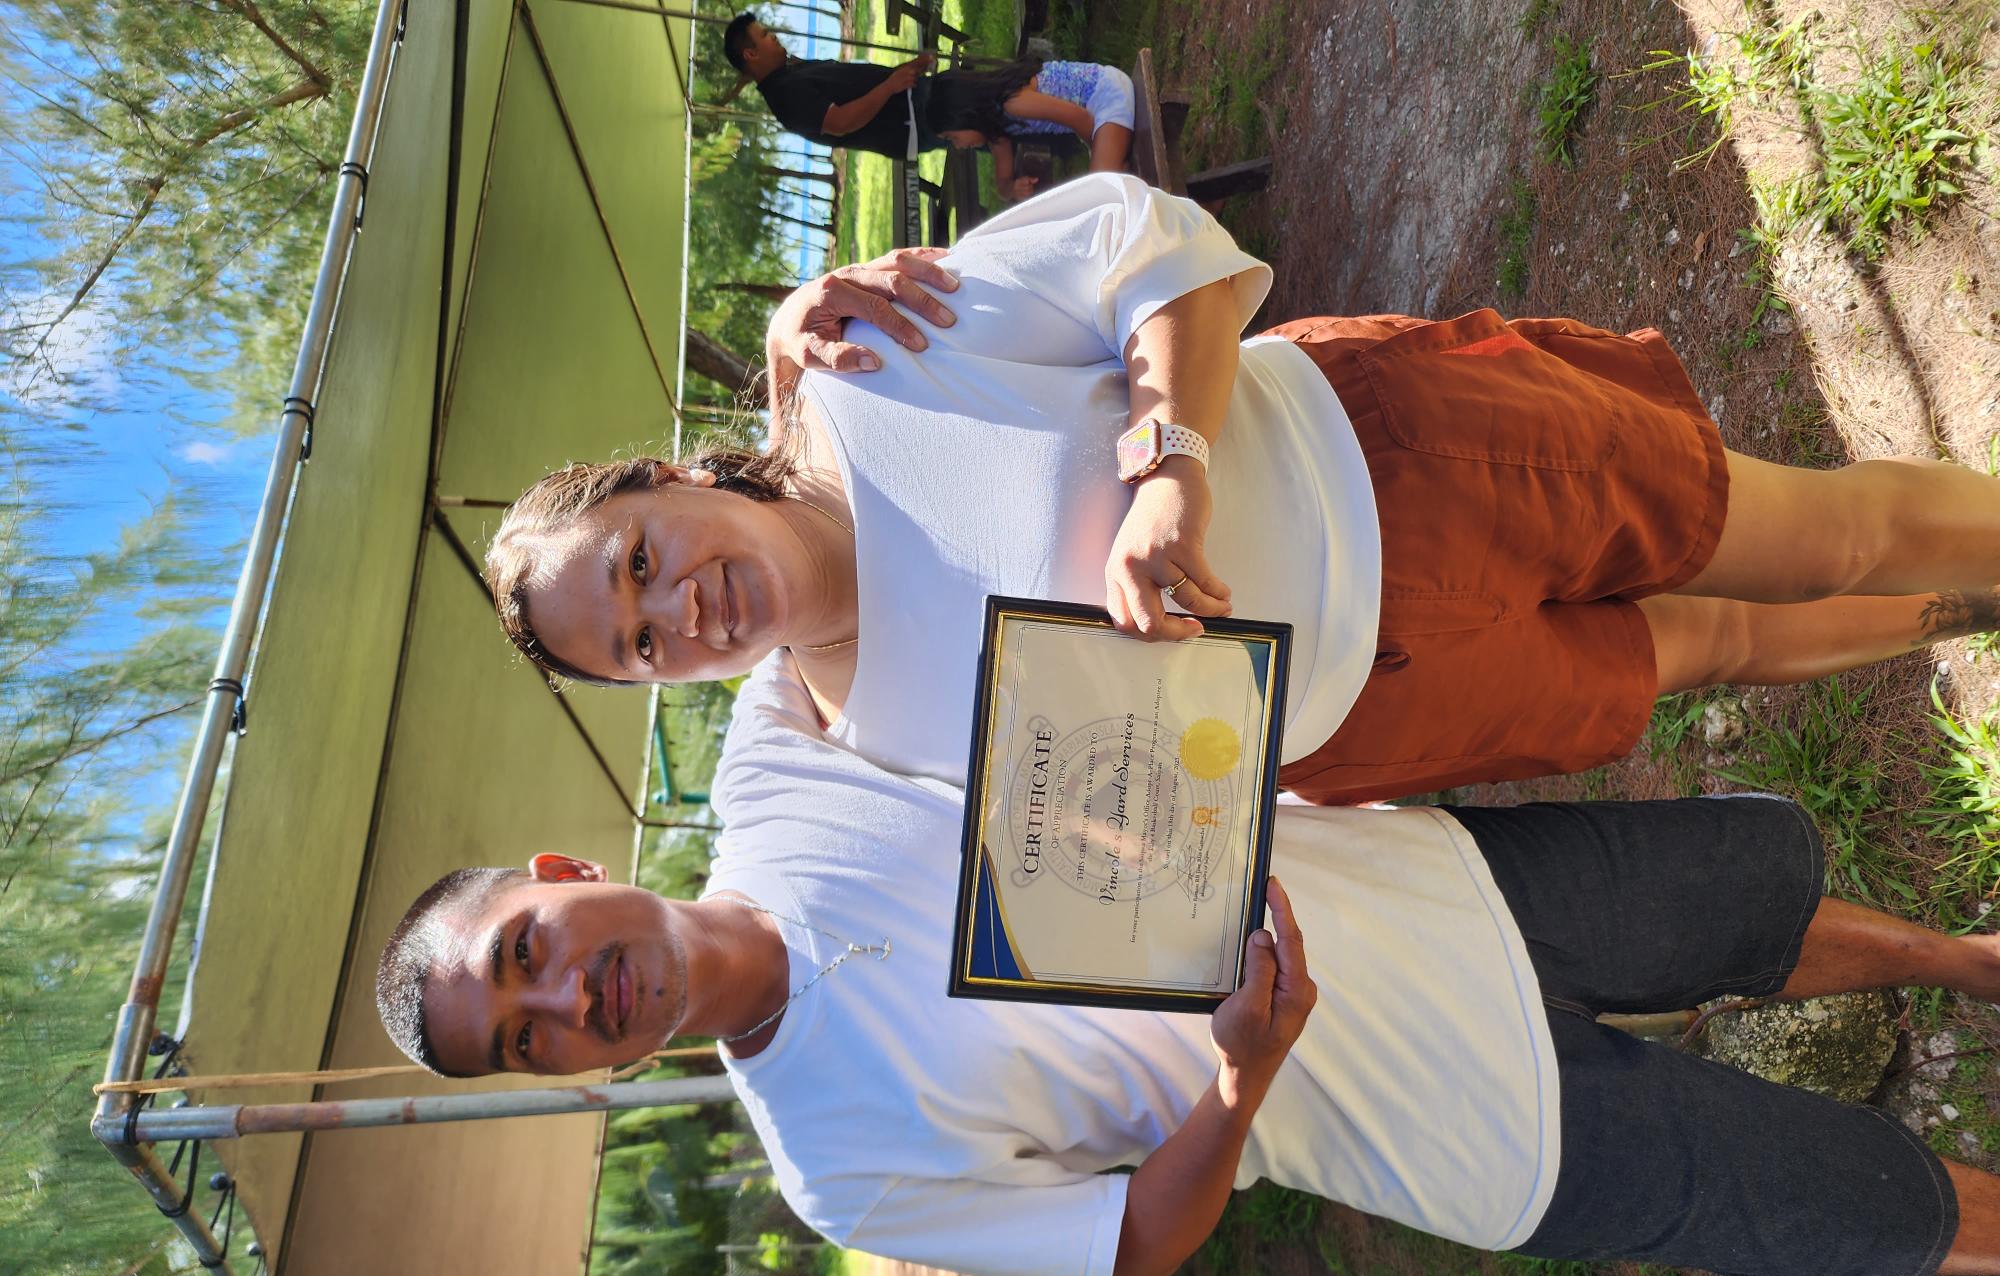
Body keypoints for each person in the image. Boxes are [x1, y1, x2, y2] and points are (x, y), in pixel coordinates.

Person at [377, 653, 1999, 1276]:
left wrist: (818, 355)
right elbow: (1131, 1243)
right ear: (569, 1079)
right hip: (1447, 1124)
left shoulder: (775, 763)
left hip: (1424, 882)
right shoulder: (835, 1168)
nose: (564, 1003)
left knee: (1742, 900)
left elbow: (823, 542)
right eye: (527, 1040)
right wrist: (1239, 1079)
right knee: (1835, 1202)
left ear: (561, 875)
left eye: (524, 955)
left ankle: (1973, 966)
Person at [483, 175, 2000, 805]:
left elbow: (1161, 254)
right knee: (1713, 647)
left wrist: (1170, 472)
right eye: (639, 648)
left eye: (637, 560)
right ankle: (1977, 607)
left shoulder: (872, 359)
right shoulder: (861, 744)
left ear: (663, 479)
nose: (677, 612)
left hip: (1399, 466)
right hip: (1370, 714)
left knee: (1813, 535)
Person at [724, 11, 941, 160]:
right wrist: (890, 86)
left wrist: (909, 68)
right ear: (751, 54)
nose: (773, 36)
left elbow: (860, 84)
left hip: (913, 98)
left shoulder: (790, 72)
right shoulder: (784, 96)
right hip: (911, 120)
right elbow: (840, 122)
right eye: (764, 35)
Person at [926, 59, 1138, 196]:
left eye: (952, 137)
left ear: (964, 115)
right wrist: (1012, 188)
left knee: (1099, 192)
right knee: (1100, 190)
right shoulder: (997, 130)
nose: (958, 146)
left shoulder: (1012, 102)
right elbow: (1003, 186)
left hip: (1105, 94)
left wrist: (1098, 152)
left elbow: (1080, 118)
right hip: (1096, 114)